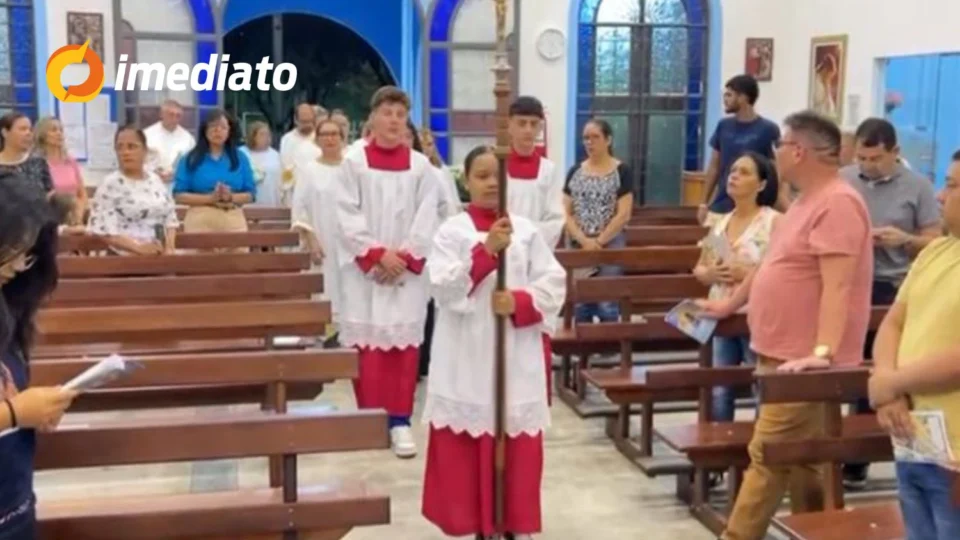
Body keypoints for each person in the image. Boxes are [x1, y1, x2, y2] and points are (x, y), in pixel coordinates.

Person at [699, 111, 873, 540]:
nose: (774, 154)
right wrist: (729, 307)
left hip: (805, 362)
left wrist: (822, 355)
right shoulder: (801, 204)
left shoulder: (838, 203)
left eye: (779, 146)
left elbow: (838, 288)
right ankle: (818, 530)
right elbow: (768, 267)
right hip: (779, 353)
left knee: (767, 453)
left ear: (797, 151)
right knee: (803, 458)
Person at [421, 145, 566, 540]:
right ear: (466, 181)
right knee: (466, 440)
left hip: (514, 355)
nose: (490, 183)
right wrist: (485, 253)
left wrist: (519, 301)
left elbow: (553, 283)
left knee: (515, 439)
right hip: (466, 355)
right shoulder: (452, 231)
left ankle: (514, 525)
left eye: (496, 176)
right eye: (481, 175)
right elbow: (441, 287)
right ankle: (470, 525)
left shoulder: (527, 229)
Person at [335, 86, 439, 458]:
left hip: (404, 276)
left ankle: (399, 421)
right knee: (367, 348)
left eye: (400, 114)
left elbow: (429, 215)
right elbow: (345, 213)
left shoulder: (421, 166)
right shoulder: (353, 161)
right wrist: (376, 255)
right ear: (373, 117)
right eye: (388, 113)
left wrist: (404, 258)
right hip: (367, 274)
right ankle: (368, 420)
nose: (394, 120)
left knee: (403, 349)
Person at [839, 117, 942, 489]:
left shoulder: (919, 187)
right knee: (846, 368)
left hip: (891, 284)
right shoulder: (845, 179)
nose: (867, 166)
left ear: (895, 153)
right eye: (862, 158)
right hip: (848, 283)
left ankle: (860, 457)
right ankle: (840, 444)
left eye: (876, 159)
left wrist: (904, 239)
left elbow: (935, 238)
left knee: (878, 369)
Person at [866, 150, 960, 540]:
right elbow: (894, 322)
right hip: (914, 436)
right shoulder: (937, 250)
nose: (939, 196)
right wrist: (890, 393)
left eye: (952, 186)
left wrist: (890, 383)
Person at [0, 178, 79, 539]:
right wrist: (16, 413)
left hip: (14, 505)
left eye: (28, 253)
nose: (19, 266)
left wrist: (37, 408)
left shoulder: (7, 305)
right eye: (13, 250)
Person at [693, 151, 781, 422]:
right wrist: (710, 273)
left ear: (762, 184)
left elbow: (782, 269)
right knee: (721, 385)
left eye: (744, 172)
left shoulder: (773, 222)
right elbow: (700, 266)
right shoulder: (721, 223)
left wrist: (747, 273)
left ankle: (760, 445)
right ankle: (718, 447)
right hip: (721, 309)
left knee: (761, 382)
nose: (734, 177)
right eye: (732, 171)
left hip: (756, 312)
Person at [563, 118, 634, 323]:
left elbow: (624, 213)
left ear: (608, 140)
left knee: (606, 298)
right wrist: (583, 240)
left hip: (610, 241)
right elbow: (565, 211)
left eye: (595, 137)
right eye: (586, 138)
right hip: (579, 241)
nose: (589, 142)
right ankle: (582, 348)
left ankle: (607, 347)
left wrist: (599, 242)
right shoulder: (575, 171)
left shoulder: (622, 171)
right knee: (581, 297)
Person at [700, 75, 783, 224]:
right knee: (713, 246)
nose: (725, 99)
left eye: (729, 95)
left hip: (755, 206)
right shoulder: (723, 126)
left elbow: (778, 170)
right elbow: (714, 167)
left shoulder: (768, 129)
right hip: (722, 205)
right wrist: (703, 203)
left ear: (743, 97)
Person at [292, 116, 346, 342]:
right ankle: (322, 340)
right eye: (325, 135)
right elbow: (300, 208)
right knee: (322, 288)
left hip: (348, 243)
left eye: (335, 134)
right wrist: (311, 239)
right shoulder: (309, 170)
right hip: (321, 241)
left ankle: (346, 339)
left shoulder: (352, 168)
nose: (330, 139)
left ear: (343, 139)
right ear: (318, 140)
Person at [88, 125, 179, 255]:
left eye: (132, 146)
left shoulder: (155, 180)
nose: (125, 152)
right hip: (123, 258)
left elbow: (170, 217)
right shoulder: (110, 184)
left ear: (144, 151)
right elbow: (104, 230)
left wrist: (169, 247)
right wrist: (139, 248)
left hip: (159, 255)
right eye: (120, 147)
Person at [173, 110, 257, 234]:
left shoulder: (240, 158)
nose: (218, 131)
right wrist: (210, 198)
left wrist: (230, 197)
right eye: (213, 126)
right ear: (204, 130)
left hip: (233, 219)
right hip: (199, 219)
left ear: (229, 131)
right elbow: (179, 196)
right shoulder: (190, 159)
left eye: (223, 127)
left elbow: (251, 194)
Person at [33, 117, 88, 224]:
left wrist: (78, 215)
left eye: (61, 130)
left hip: (74, 218)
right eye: (53, 130)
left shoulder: (70, 161)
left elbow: (82, 193)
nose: (59, 133)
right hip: (48, 220)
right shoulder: (37, 163)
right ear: (43, 135)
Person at [143, 99, 196, 185]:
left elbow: (193, 163)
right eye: (171, 115)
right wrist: (153, 173)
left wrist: (177, 174)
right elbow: (138, 161)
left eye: (178, 116)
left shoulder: (188, 139)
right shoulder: (146, 135)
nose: (174, 119)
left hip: (178, 184)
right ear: (161, 114)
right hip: (150, 183)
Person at [0, 113, 53, 197]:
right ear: (5, 132)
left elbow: (49, 194)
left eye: (30, 129)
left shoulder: (38, 162)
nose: (28, 133)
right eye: (22, 129)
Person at [280, 103, 320, 205]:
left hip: (317, 193)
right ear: (296, 120)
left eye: (309, 121)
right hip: (293, 193)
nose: (307, 125)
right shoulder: (287, 140)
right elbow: (285, 166)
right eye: (303, 122)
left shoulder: (320, 138)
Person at [240, 121, 283, 207]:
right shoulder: (241, 153)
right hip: (248, 203)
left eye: (268, 135)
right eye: (262, 134)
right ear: (252, 136)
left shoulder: (275, 155)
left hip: (271, 202)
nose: (266, 138)